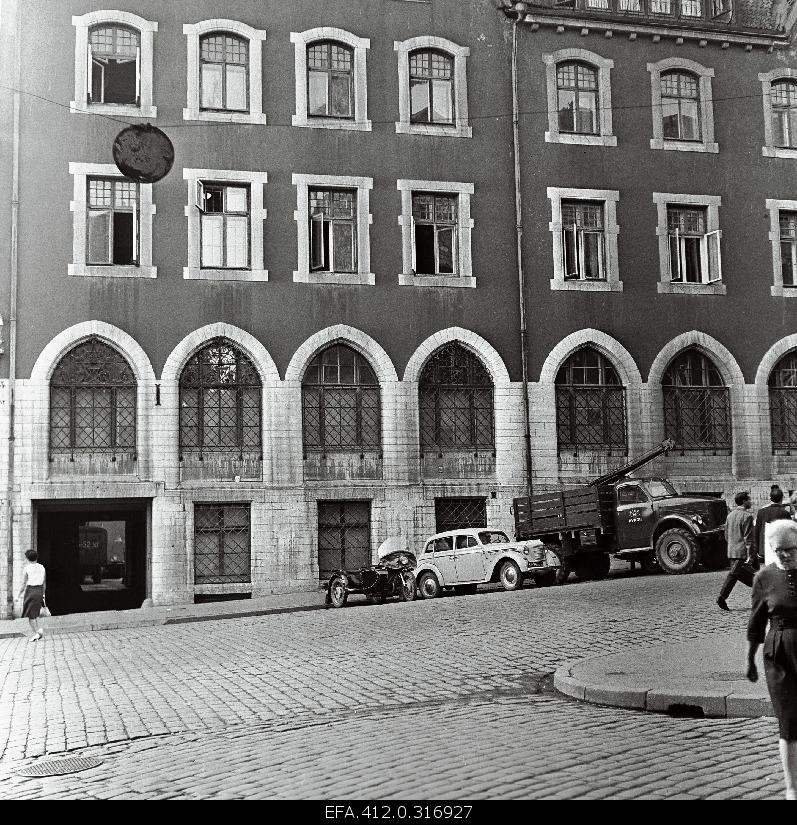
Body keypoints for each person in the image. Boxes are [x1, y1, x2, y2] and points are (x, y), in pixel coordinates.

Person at [746, 518, 797, 800]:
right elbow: (755, 624)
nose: (785, 555)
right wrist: (749, 661)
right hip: (778, 654)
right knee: (788, 723)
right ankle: (792, 789)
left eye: (790, 549)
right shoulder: (764, 578)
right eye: (779, 551)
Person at [717, 491, 755, 611]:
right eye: (749, 499)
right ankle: (722, 597)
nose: (751, 502)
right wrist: (751, 556)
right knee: (746, 577)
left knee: (739, 576)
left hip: (732, 550)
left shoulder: (730, 515)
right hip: (742, 553)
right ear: (744, 501)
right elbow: (748, 538)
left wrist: (732, 546)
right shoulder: (747, 516)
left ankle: (760, 601)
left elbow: (726, 535)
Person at [754, 485, 792, 567]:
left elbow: (757, 530)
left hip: (764, 547)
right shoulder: (784, 513)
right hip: (779, 547)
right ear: (782, 498)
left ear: (770, 498)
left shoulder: (761, 512)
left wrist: (757, 548)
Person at [17, 549, 46, 641]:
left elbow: (23, 584)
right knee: (36, 614)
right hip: (40, 591)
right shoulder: (42, 567)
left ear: (27, 558)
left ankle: (37, 633)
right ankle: (38, 630)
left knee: (30, 616)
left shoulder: (27, 568)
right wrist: (43, 594)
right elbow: (44, 583)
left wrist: (18, 595)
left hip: (30, 591)